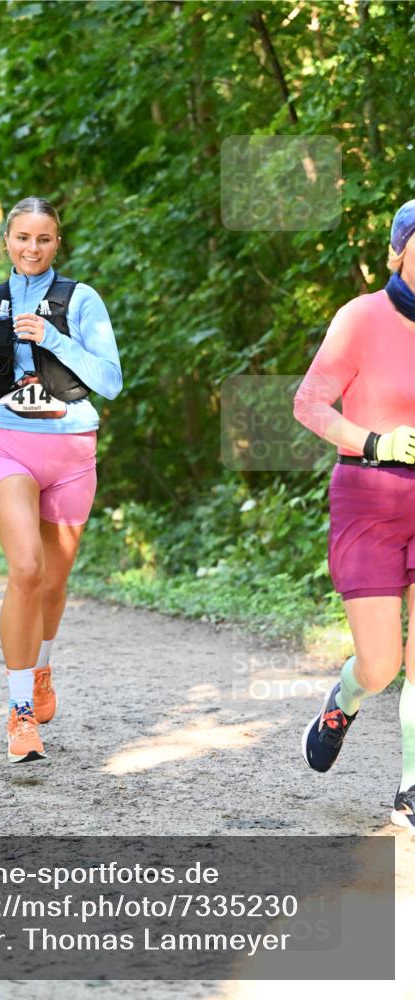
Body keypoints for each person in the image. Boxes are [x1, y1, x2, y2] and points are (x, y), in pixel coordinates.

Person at [0, 196, 122, 763]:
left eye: (43, 239)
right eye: (22, 237)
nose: (32, 248)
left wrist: (52, 338)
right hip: (6, 445)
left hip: (72, 450)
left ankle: (42, 664)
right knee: (26, 568)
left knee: (53, 580)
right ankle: (20, 711)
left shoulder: (81, 300)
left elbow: (111, 381)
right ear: (7, 240)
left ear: (57, 242)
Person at [293, 199, 415, 834]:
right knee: (381, 665)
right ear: (400, 250)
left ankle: (410, 792)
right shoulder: (361, 318)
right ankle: (343, 702)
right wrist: (375, 441)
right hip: (370, 495)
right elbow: (309, 402)